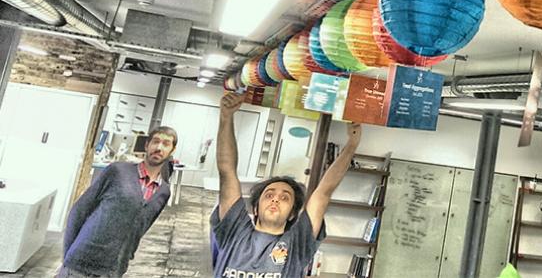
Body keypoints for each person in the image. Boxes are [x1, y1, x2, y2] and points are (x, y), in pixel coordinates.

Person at [213, 91, 361, 278]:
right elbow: (227, 171)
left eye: (285, 198)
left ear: (292, 213)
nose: (275, 198)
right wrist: (226, 117)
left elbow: (323, 192)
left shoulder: (298, 243)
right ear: (256, 208)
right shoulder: (235, 231)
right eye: (269, 195)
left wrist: (352, 145)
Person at [60, 126, 178, 278]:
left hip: (113, 270)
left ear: (172, 150)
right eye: (155, 141)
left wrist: (127, 256)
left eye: (166, 144)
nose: (159, 147)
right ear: (147, 145)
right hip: (80, 263)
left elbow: (141, 228)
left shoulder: (164, 192)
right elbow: (79, 211)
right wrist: (68, 257)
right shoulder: (117, 171)